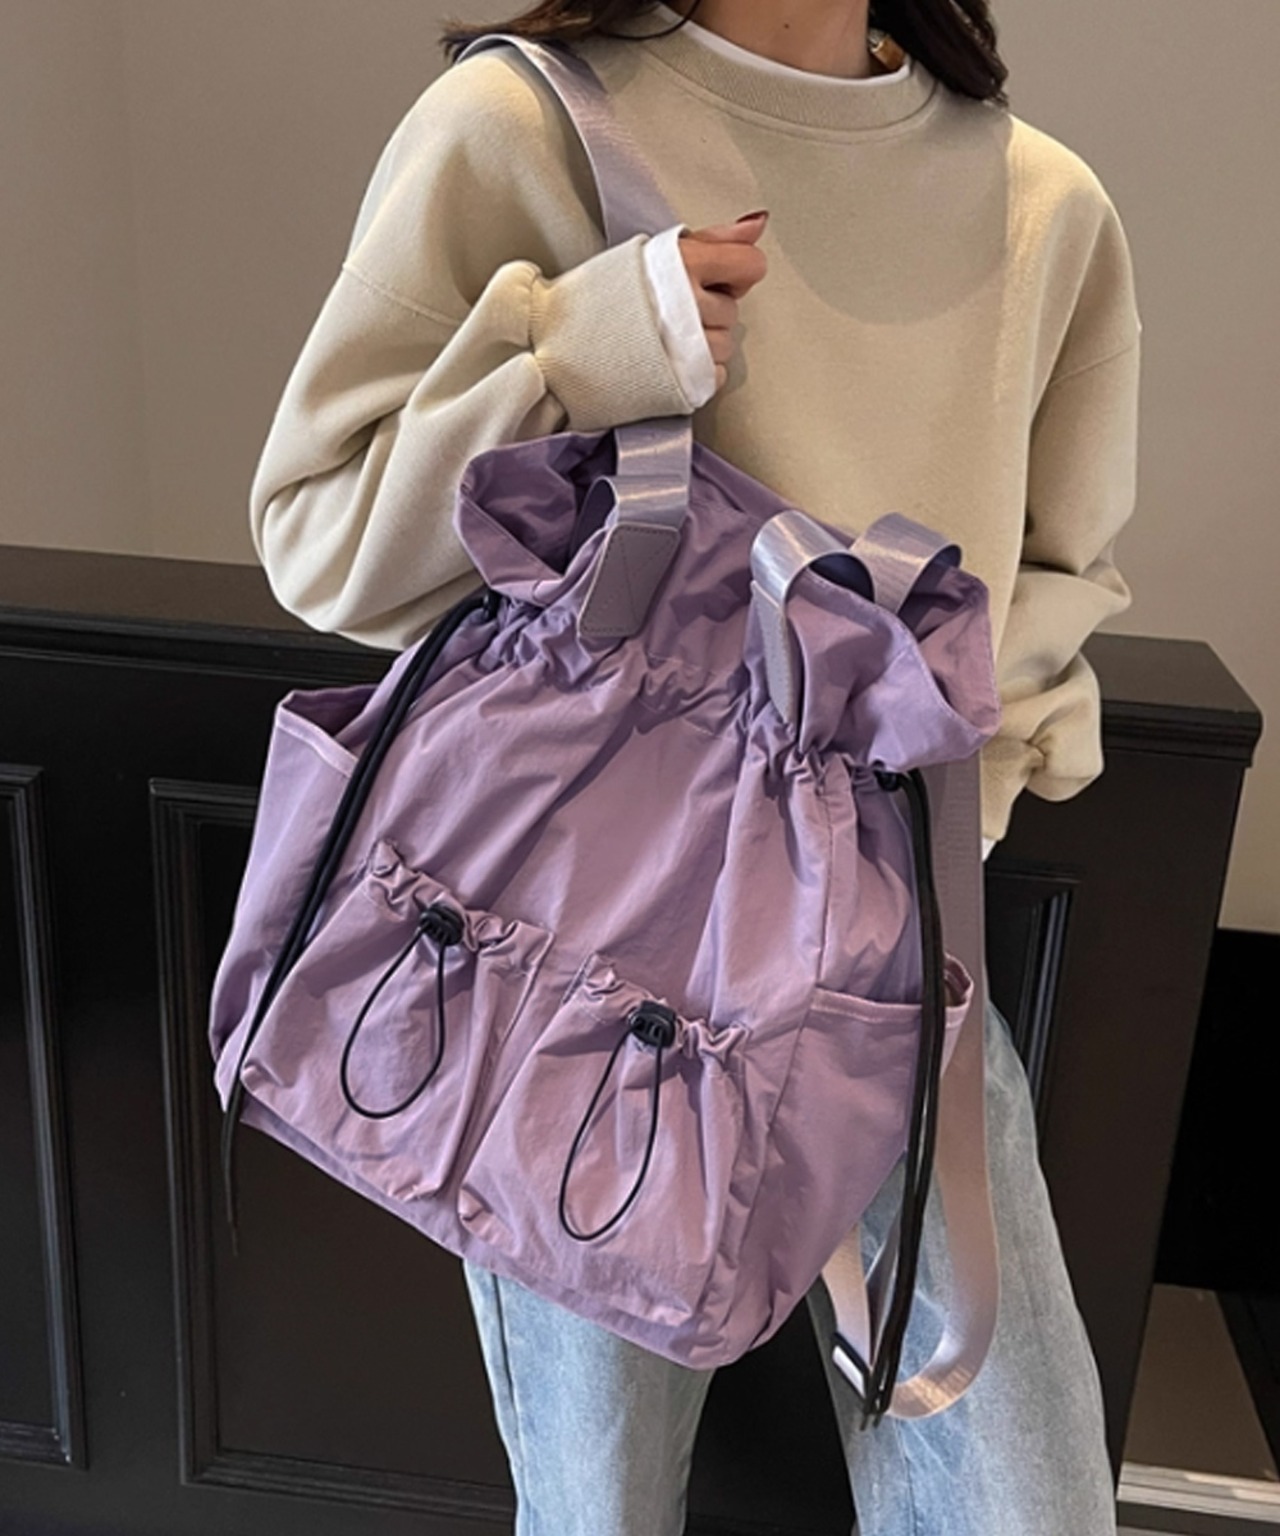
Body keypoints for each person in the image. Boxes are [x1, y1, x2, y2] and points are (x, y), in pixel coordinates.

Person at [247, 1, 1140, 1531]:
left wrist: (938, 814)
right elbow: (318, 535)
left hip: (892, 967)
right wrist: (585, 347)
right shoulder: (526, 128)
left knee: (1025, 1501)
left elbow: (1061, 578)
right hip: (604, 947)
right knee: (597, 1501)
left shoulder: (1040, 204)